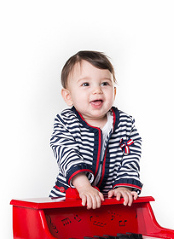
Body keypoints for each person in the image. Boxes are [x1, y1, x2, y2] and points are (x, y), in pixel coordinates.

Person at [49, 50, 142, 209]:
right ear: (68, 96)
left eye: (104, 83)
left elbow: (131, 157)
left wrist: (124, 187)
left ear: (114, 91)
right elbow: (66, 153)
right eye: (86, 84)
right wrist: (84, 187)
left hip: (109, 203)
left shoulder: (126, 123)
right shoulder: (66, 122)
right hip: (69, 201)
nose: (97, 90)